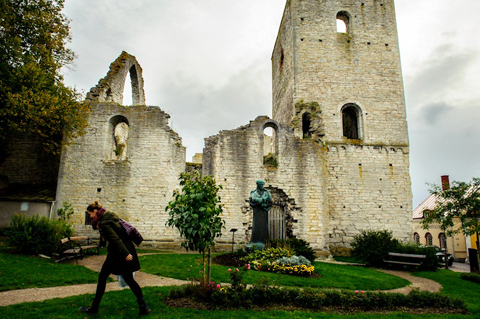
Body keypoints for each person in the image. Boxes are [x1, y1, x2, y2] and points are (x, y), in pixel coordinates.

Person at [80, 201, 151, 315]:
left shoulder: (103, 222)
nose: (90, 217)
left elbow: (115, 239)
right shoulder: (109, 216)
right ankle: (143, 306)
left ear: (95, 211)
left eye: (90, 214)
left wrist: (125, 253)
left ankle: (94, 308)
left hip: (118, 253)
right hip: (126, 249)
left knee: (103, 277)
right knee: (128, 279)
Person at [249, 179, 273, 243]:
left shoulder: (266, 192)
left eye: (262, 184)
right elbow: (252, 200)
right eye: (260, 184)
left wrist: (262, 203)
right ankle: (255, 242)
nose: (262, 186)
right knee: (256, 228)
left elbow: (270, 201)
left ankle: (264, 242)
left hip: (264, 211)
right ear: (257, 185)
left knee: (264, 228)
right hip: (256, 211)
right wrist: (262, 199)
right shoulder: (253, 192)